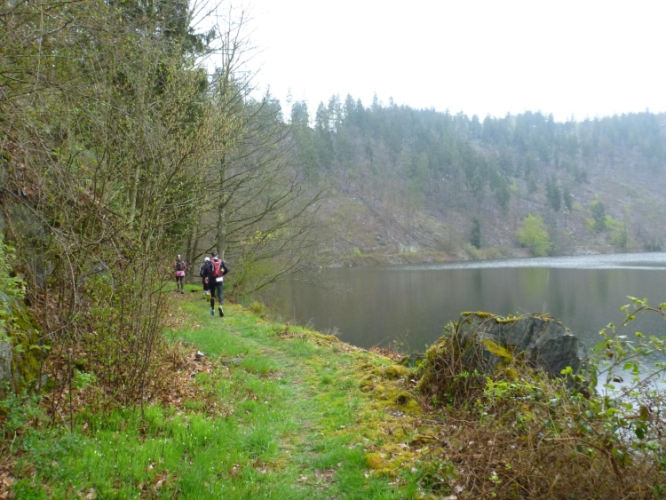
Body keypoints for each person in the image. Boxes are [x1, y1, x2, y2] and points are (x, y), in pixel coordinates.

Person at [203, 251, 229, 317]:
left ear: (211, 256)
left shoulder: (209, 262)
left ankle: (213, 309)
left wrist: (206, 276)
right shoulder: (221, 262)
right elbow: (226, 270)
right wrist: (221, 273)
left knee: (212, 295)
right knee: (220, 293)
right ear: (217, 255)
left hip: (212, 280)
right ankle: (220, 306)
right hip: (219, 279)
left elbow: (205, 270)